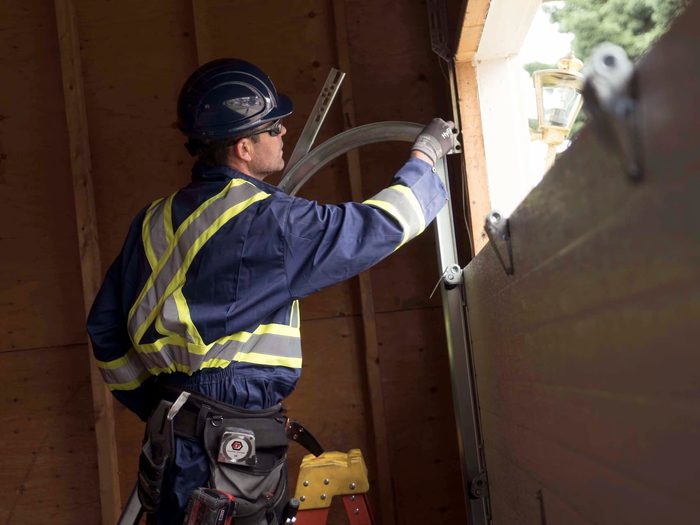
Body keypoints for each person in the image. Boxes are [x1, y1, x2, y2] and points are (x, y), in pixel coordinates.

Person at [87, 58, 455, 524]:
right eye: (274, 127)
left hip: (177, 432)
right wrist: (425, 158)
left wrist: (158, 406)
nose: (284, 133)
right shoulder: (268, 219)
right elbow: (381, 225)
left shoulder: (152, 219)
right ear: (243, 147)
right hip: (228, 438)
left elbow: (104, 329)